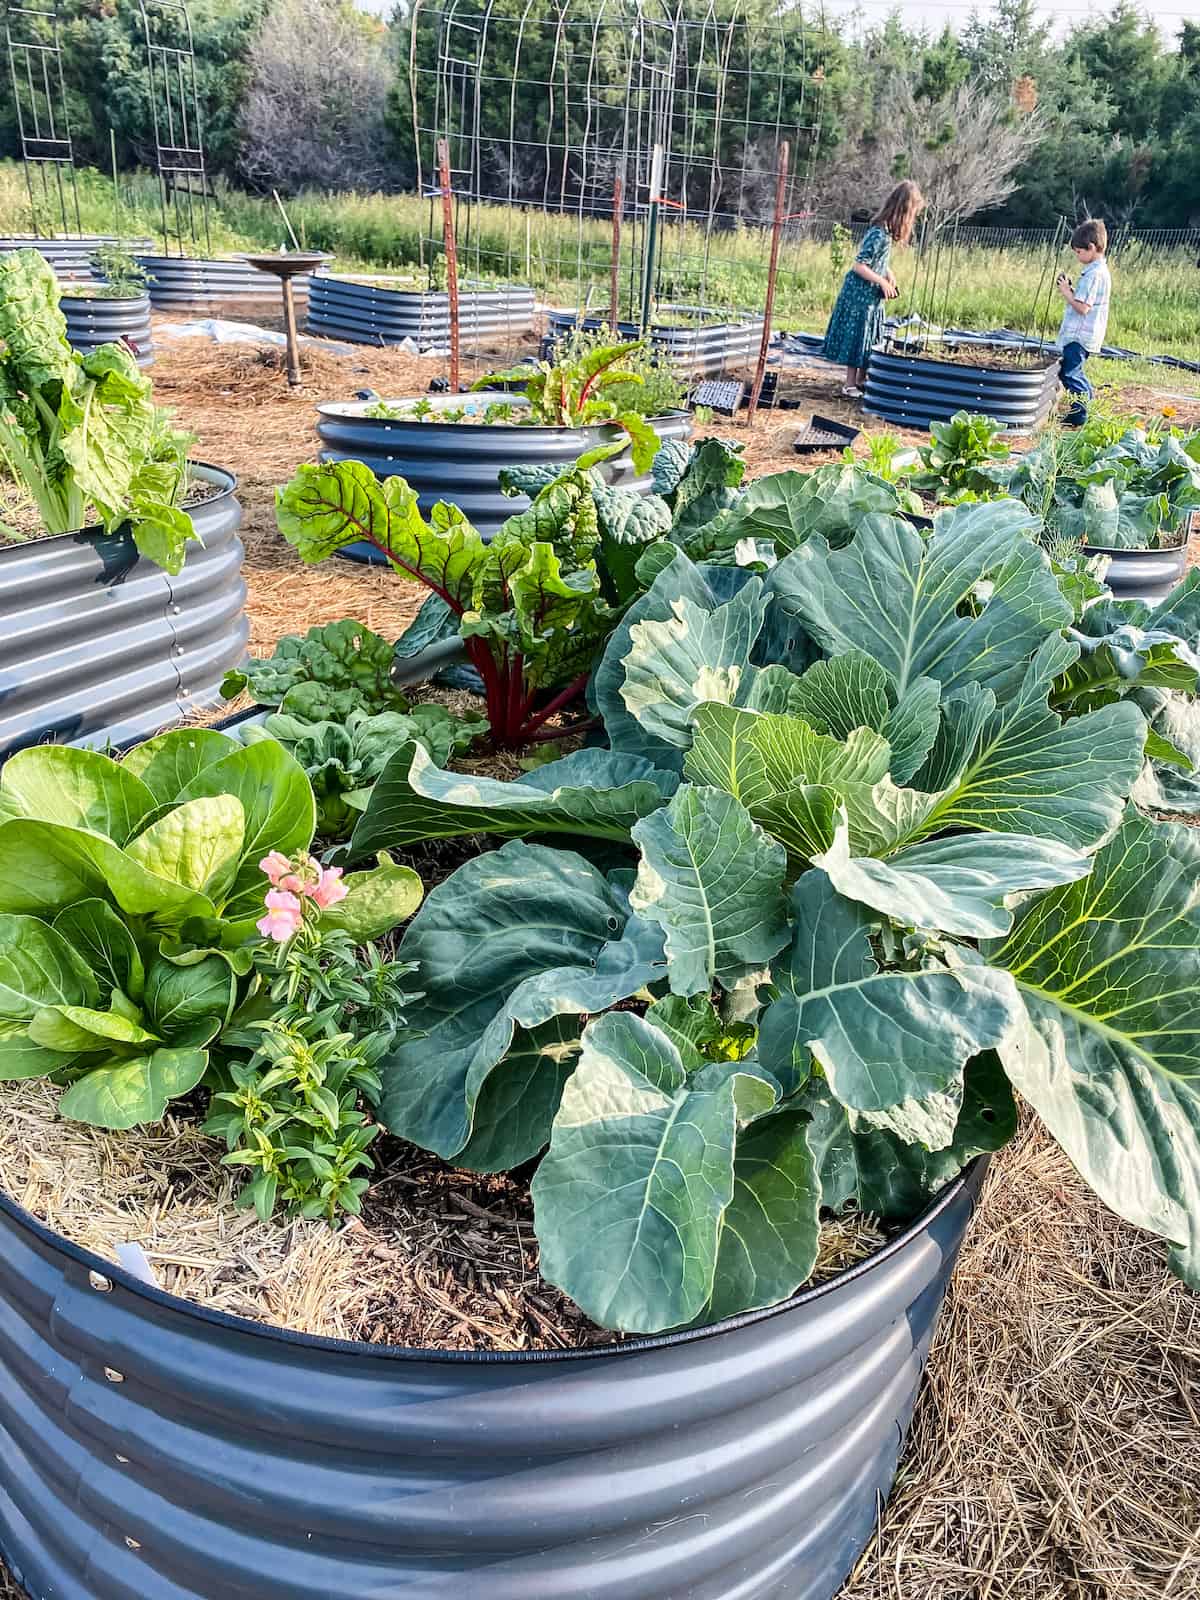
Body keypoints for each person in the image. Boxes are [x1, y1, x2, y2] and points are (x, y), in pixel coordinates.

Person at [823, 180, 925, 399]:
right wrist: (881, 281)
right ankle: (849, 384)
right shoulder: (878, 234)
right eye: (912, 213)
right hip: (859, 295)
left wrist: (888, 273)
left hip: (871, 298)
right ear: (903, 210)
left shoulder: (886, 234)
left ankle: (861, 379)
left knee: (869, 336)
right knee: (857, 337)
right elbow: (859, 264)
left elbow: (877, 260)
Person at [1055, 218, 1112, 426]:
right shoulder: (1098, 271)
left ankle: (1079, 415)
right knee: (1076, 372)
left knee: (1069, 373)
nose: (1077, 256)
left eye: (1079, 252)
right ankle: (1087, 406)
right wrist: (1071, 290)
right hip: (1086, 334)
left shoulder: (1093, 275)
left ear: (1091, 248)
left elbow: (1082, 307)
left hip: (1079, 335)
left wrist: (1065, 293)